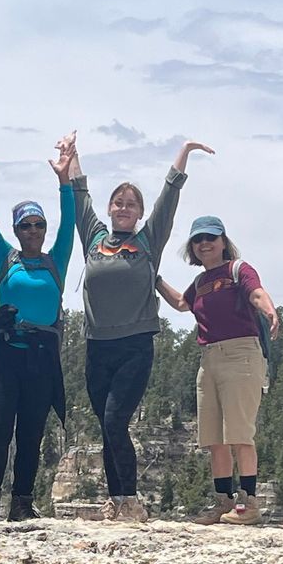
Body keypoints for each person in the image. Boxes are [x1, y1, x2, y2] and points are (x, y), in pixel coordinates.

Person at [61, 132, 213, 523]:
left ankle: (130, 500)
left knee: (115, 420)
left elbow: (169, 199)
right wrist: (71, 156)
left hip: (135, 345)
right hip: (96, 346)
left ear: (139, 213)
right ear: (111, 209)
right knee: (105, 425)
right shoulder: (94, 237)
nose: (124, 208)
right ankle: (116, 500)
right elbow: (80, 196)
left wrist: (184, 154)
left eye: (131, 204)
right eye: (119, 202)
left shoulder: (149, 240)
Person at [0, 137, 76, 522]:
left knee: (31, 430)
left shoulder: (56, 259)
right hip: (4, 352)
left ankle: (23, 501)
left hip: (43, 355)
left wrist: (65, 180)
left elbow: (71, 221)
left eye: (38, 224)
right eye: (25, 225)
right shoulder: (5, 257)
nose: (33, 230)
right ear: (16, 229)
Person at [158, 215, 280, 526]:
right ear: (192, 247)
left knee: (240, 433)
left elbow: (256, 292)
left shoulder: (238, 270)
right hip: (209, 358)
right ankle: (223, 503)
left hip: (241, 354)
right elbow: (181, 304)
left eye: (211, 237)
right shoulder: (200, 283)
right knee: (214, 438)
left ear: (224, 241)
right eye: (198, 240)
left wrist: (269, 309)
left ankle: (249, 504)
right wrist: (155, 279)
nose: (204, 244)